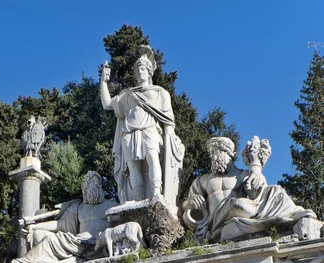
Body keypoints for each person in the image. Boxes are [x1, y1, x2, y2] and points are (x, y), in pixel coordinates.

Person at [182, 136, 316, 242]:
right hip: (215, 220)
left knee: (275, 190)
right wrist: (191, 201)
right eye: (212, 153)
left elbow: (257, 193)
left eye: (219, 152)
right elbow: (186, 207)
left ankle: (292, 213)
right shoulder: (203, 180)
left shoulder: (242, 175)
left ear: (230, 155)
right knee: (236, 203)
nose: (214, 156)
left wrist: (255, 176)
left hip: (240, 210)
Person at [101, 46, 184, 207]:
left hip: (150, 130)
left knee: (153, 159)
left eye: (143, 69)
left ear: (149, 71)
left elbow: (168, 120)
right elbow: (107, 103)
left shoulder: (160, 93)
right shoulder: (128, 94)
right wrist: (104, 81)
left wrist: (170, 139)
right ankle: (138, 199)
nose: (140, 72)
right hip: (129, 132)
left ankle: (155, 192)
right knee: (133, 167)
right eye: (137, 69)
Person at [0, 171, 118, 263]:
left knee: (53, 240)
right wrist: (34, 226)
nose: (95, 185)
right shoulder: (78, 207)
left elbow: (123, 224)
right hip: (76, 244)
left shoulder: (111, 205)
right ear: (84, 187)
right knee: (48, 238)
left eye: (98, 183)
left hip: (99, 244)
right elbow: (59, 225)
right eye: (92, 182)